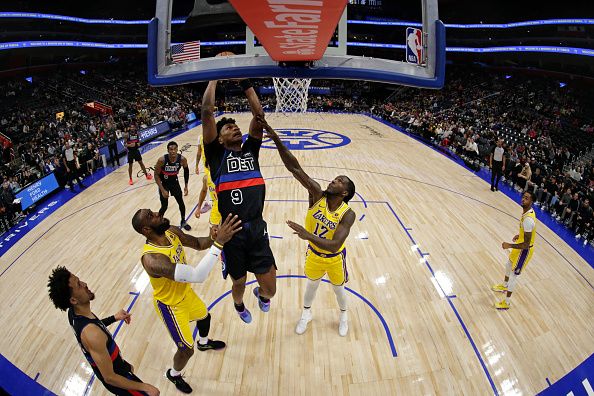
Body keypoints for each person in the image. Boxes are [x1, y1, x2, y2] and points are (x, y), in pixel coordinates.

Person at [262, 118, 356, 336]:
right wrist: (276, 139)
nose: (334, 180)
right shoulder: (316, 194)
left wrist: (306, 234)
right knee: (311, 285)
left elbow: (334, 246)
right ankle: (306, 313)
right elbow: (294, 167)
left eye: (340, 181)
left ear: (344, 193)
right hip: (313, 254)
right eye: (335, 178)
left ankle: (344, 315)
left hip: (334, 258)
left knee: (338, 288)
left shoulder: (348, 214)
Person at [132, 209, 241, 393]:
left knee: (205, 317)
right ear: (146, 230)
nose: (157, 213)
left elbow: (198, 243)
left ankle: (204, 342)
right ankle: (173, 374)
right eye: (151, 216)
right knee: (186, 350)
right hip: (170, 305)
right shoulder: (152, 259)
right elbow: (197, 275)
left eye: (152, 211)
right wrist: (220, 243)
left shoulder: (171, 231)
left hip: (185, 294)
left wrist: (212, 237)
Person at [201, 76, 277, 323]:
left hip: (256, 227)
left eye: (235, 126)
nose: (234, 128)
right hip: (231, 232)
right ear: (219, 139)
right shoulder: (215, 156)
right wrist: (214, 78)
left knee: (271, 290)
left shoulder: (250, 150)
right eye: (227, 128)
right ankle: (238, 304)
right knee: (239, 282)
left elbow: (259, 116)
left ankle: (261, 296)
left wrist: (245, 82)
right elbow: (206, 114)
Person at [47, 266, 160, 395]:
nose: (85, 284)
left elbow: (97, 326)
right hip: (119, 380)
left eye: (80, 280)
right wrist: (144, 387)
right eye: (79, 285)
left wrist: (114, 318)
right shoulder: (91, 334)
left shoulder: (74, 313)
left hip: (117, 366)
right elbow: (110, 378)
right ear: (73, 300)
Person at [492, 191, 537, 310]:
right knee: (508, 264)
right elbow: (528, 232)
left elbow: (526, 244)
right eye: (523, 197)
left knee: (513, 275)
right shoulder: (527, 212)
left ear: (531, 202)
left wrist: (509, 245)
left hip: (525, 250)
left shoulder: (528, 219)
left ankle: (506, 303)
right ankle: (505, 285)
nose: (523, 199)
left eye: (526, 198)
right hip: (521, 244)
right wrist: (519, 235)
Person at [155, 141, 192, 230]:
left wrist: (186, 186)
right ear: (168, 150)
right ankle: (158, 222)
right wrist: (163, 190)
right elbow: (156, 175)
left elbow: (186, 171)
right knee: (164, 206)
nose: (173, 151)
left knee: (181, 203)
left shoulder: (182, 159)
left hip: (174, 182)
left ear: (177, 149)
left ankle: (183, 221)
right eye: (171, 149)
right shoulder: (162, 160)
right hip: (164, 184)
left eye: (175, 149)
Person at [195, 135, 221, 225]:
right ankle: (208, 203)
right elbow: (203, 191)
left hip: (228, 208)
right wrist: (198, 208)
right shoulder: (200, 137)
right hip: (216, 209)